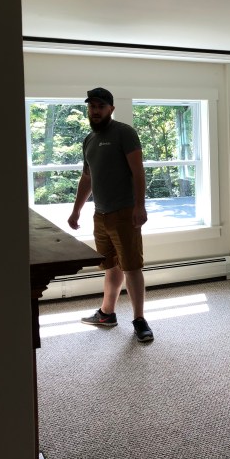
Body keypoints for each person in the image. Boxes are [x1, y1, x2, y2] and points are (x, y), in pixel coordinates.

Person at [68, 87, 154, 342]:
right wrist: (76, 210)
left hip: (124, 213)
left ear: (111, 109)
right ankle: (107, 313)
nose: (95, 111)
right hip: (100, 215)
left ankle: (139, 320)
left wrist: (140, 206)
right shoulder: (89, 140)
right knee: (110, 265)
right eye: (92, 106)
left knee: (132, 267)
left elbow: (138, 171)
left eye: (100, 106)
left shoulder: (124, 133)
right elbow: (87, 178)